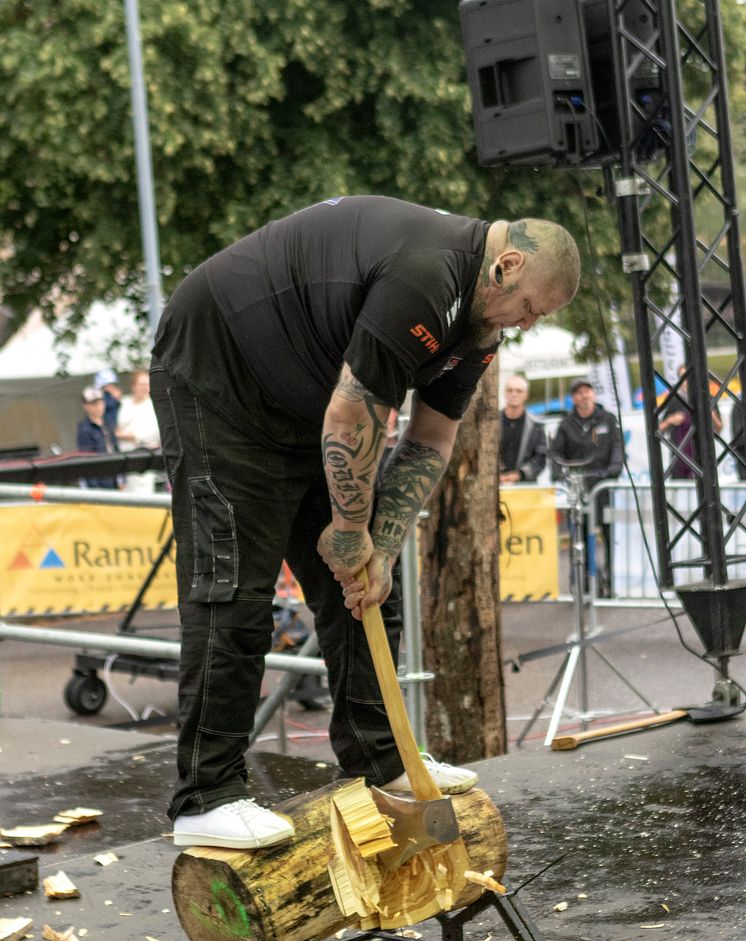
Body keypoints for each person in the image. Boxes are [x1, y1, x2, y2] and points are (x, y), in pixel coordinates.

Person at [150, 195, 581, 850]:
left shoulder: (479, 329)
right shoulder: (424, 275)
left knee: (371, 587)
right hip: (220, 377)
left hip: (307, 405)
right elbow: (353, 418)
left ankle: (383, 761)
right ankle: (207, 796)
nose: (524, 325)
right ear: (507, 265)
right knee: (233, 590)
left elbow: (432, 438)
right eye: (527, 309)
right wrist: (350, 533)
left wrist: (377, 542)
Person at [551, 377, 623, 592]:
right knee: (580, 536)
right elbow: (555, 454)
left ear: (593, 394)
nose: (584, 395)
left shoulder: (608, 419)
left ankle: (610, 580)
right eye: (579, 392)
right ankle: (583, 581)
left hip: (603, 488)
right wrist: (560, 475)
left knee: (608, 535)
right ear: (573, 398)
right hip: (579, 488)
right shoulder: (566, 424)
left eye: (588, 391)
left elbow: (618, 449)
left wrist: (612, 471)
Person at [658, 367, 722, 479]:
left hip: (703, 460)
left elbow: (719, 428)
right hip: (680, 461)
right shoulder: (674, 400)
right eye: (684, 378)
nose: (687, 382)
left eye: (689, 378)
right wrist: (669, 420)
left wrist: (711, 414)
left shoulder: (708, 399)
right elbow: (658, 430)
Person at [115, 369, 162, 493]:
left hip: (143, 457)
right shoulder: (123, 403)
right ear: (133, 386)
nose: (145, 387)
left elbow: (151, 434)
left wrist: (122, 435)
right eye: (141, 384)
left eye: (147, 384)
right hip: (121, 457)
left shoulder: (153, 406)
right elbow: (114, 426)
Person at [499, 375, 547, 483]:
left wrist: (520, 474)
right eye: (510, 390)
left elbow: (540, 457)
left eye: (519, 391)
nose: (514, 394)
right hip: (495, 485)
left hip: (525, 487)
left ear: (526, 395)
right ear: (504, 393)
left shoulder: (536, 425)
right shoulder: (492, 423)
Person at [76, 386, 120, 489]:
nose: (99, 407)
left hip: (113, 475)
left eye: (101, 402)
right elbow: (86, 459)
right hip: (99, 479)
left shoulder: (108, 424)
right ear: (86, 406)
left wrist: (120, 477)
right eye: (94, 404)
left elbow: (116, 449)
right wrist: (94, 486)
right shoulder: (84, 429)